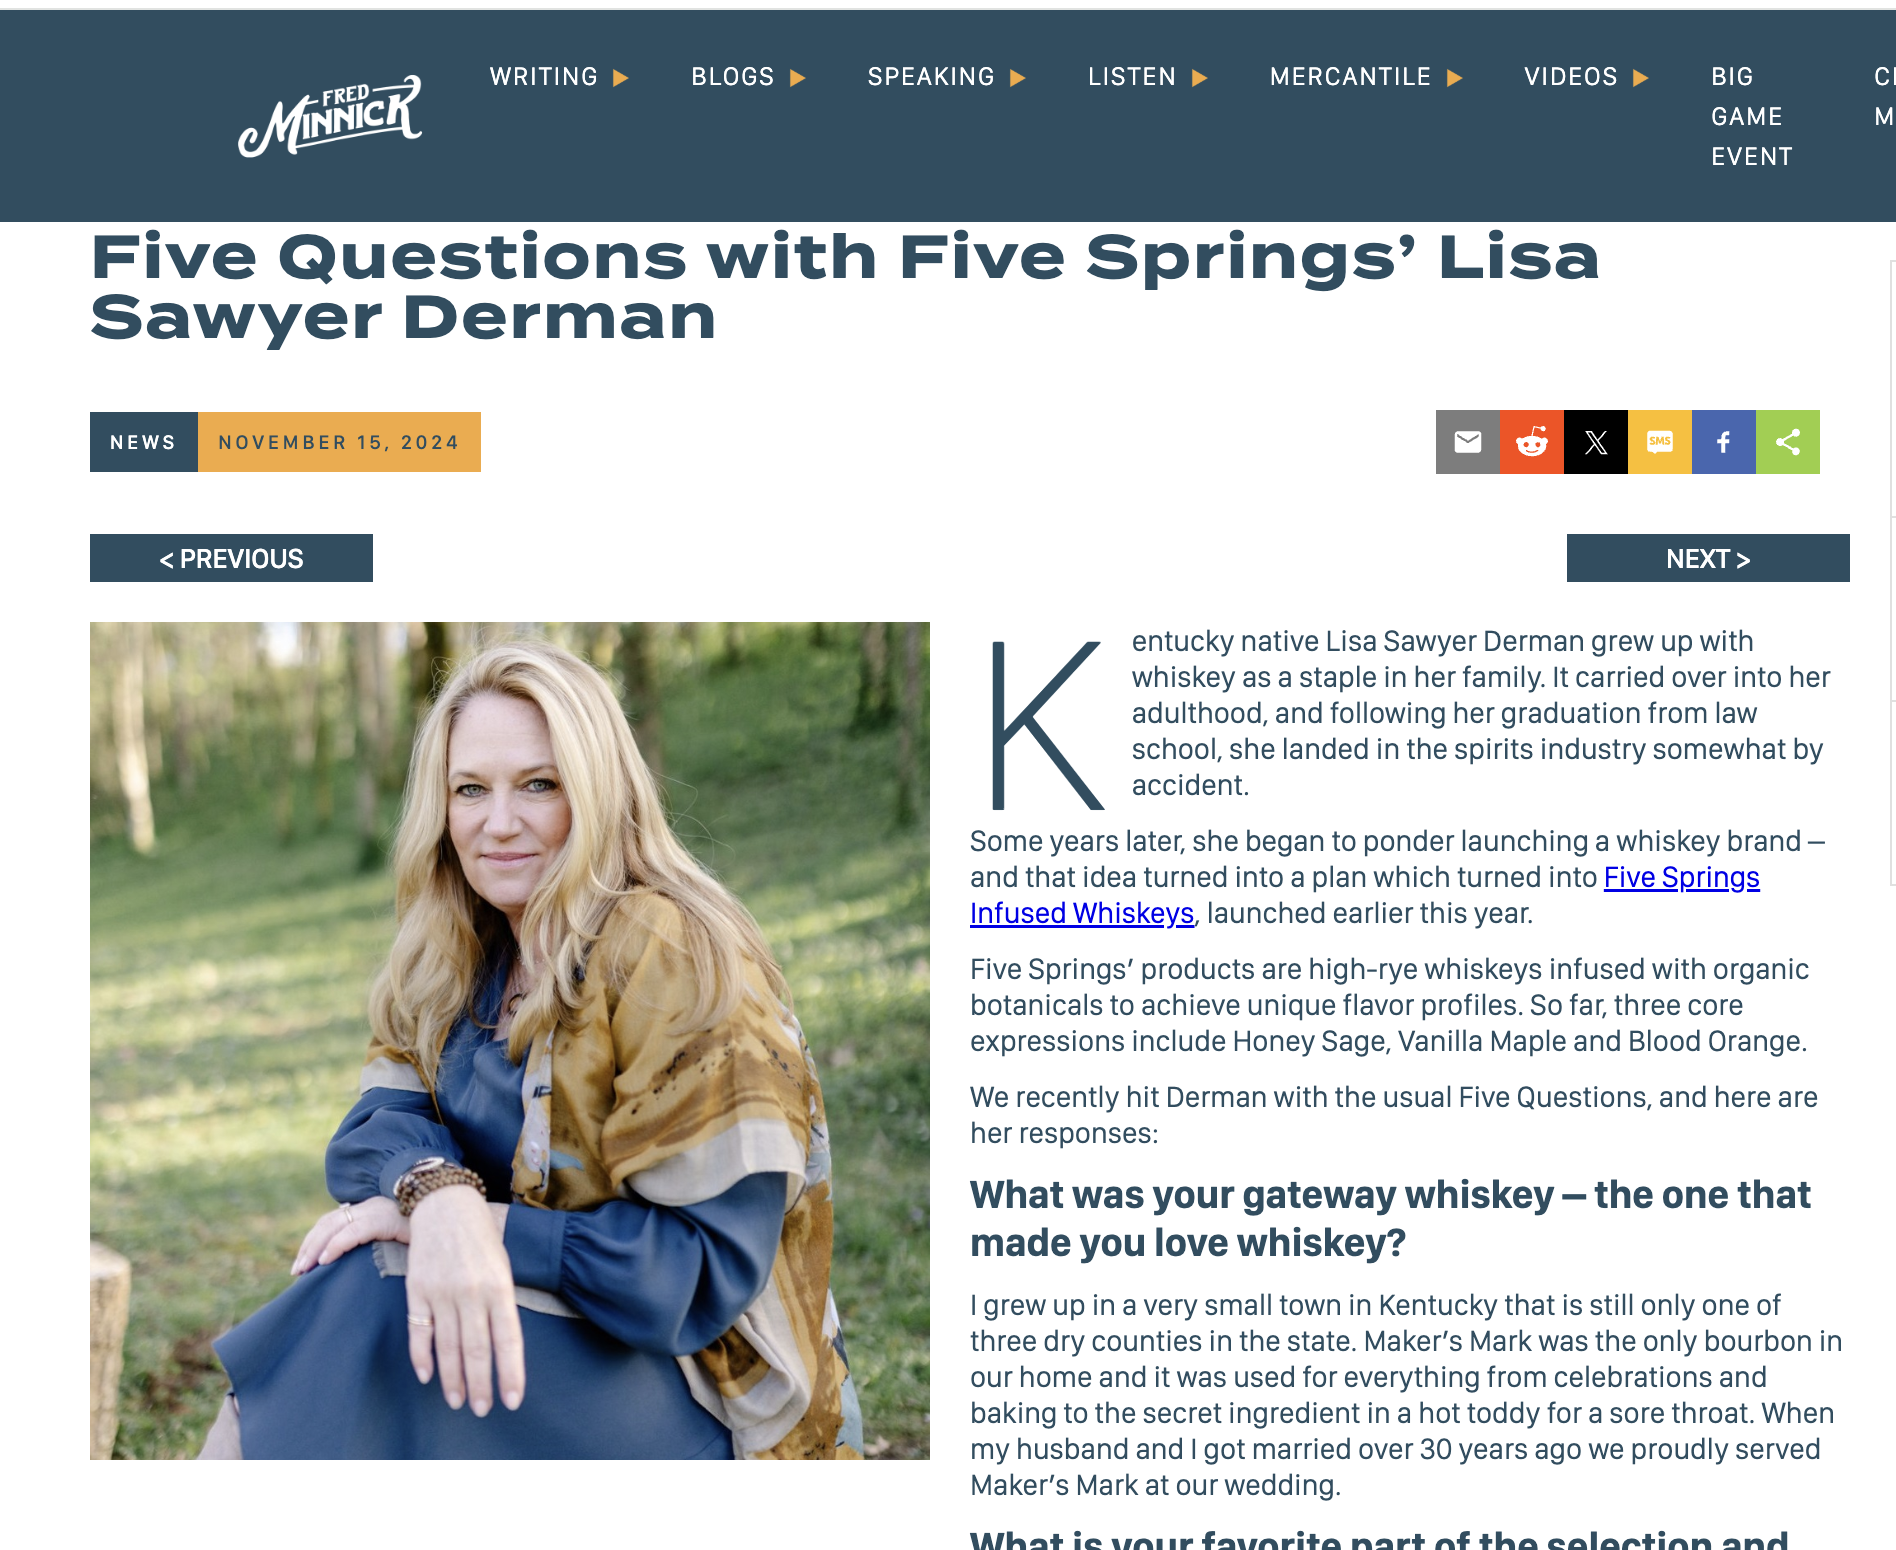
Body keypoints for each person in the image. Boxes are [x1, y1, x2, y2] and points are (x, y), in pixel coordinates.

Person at [201, 638, 862, 1459]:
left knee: (366, 1301)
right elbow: (377, 1125)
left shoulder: (672, 952)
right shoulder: (456, 949)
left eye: (539, 785)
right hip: (545, 1339)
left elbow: (693, 1278)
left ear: (596, 792)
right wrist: (436, 1202)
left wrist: (480, 1229)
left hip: (701, 1391)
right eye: (470, 789)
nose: (498, 823)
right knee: (359, 1290)